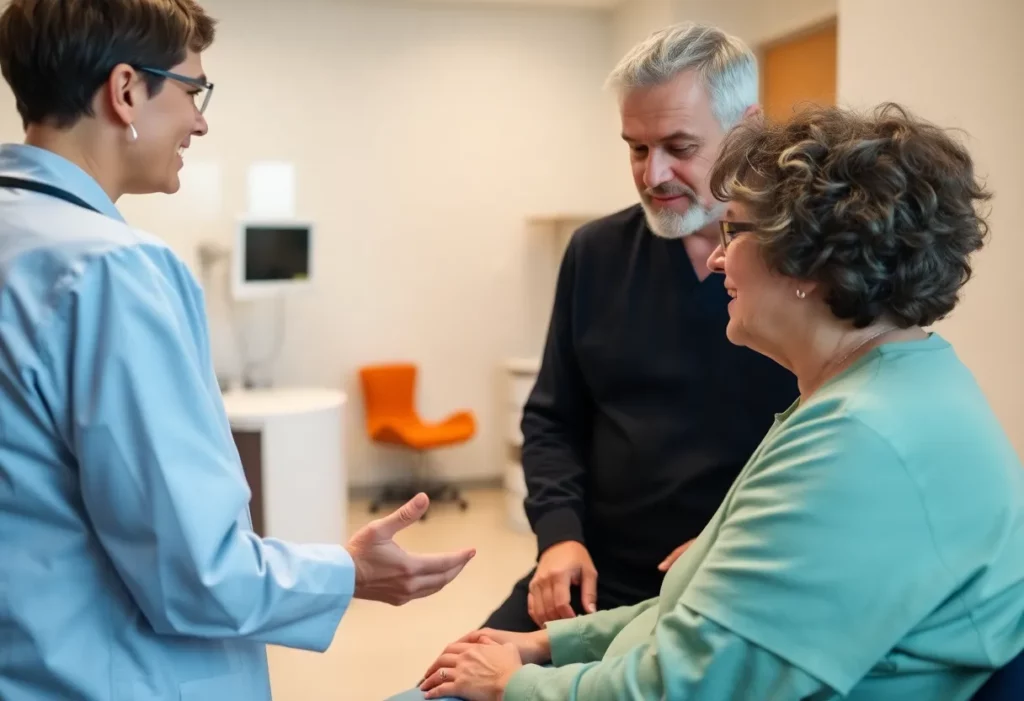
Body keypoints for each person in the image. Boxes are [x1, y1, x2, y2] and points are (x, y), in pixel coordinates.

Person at [412, 102, 1024, 701]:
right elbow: (704, 613)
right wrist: (555, 644)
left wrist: (513, 684)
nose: (717, 257)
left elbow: (688, 685)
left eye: (734, 231)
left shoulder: (858, 444)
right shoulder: (887, 388)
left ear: (811, 259)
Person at [0, 2, 474, 700]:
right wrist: (349, 572)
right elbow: (195, 573)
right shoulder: (113, 270)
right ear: (126, 89)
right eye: (194, 90)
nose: (200, 120)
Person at [481, 22, 798, 634]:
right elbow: (552, 418)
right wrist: (559, 538)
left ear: (748, 129)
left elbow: (830, 452)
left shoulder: (805, 273)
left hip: (734, 589)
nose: (652, 175)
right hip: (594, 576)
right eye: (635, 147)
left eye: (679, 147)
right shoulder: (595, 253)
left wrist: (733, 544)